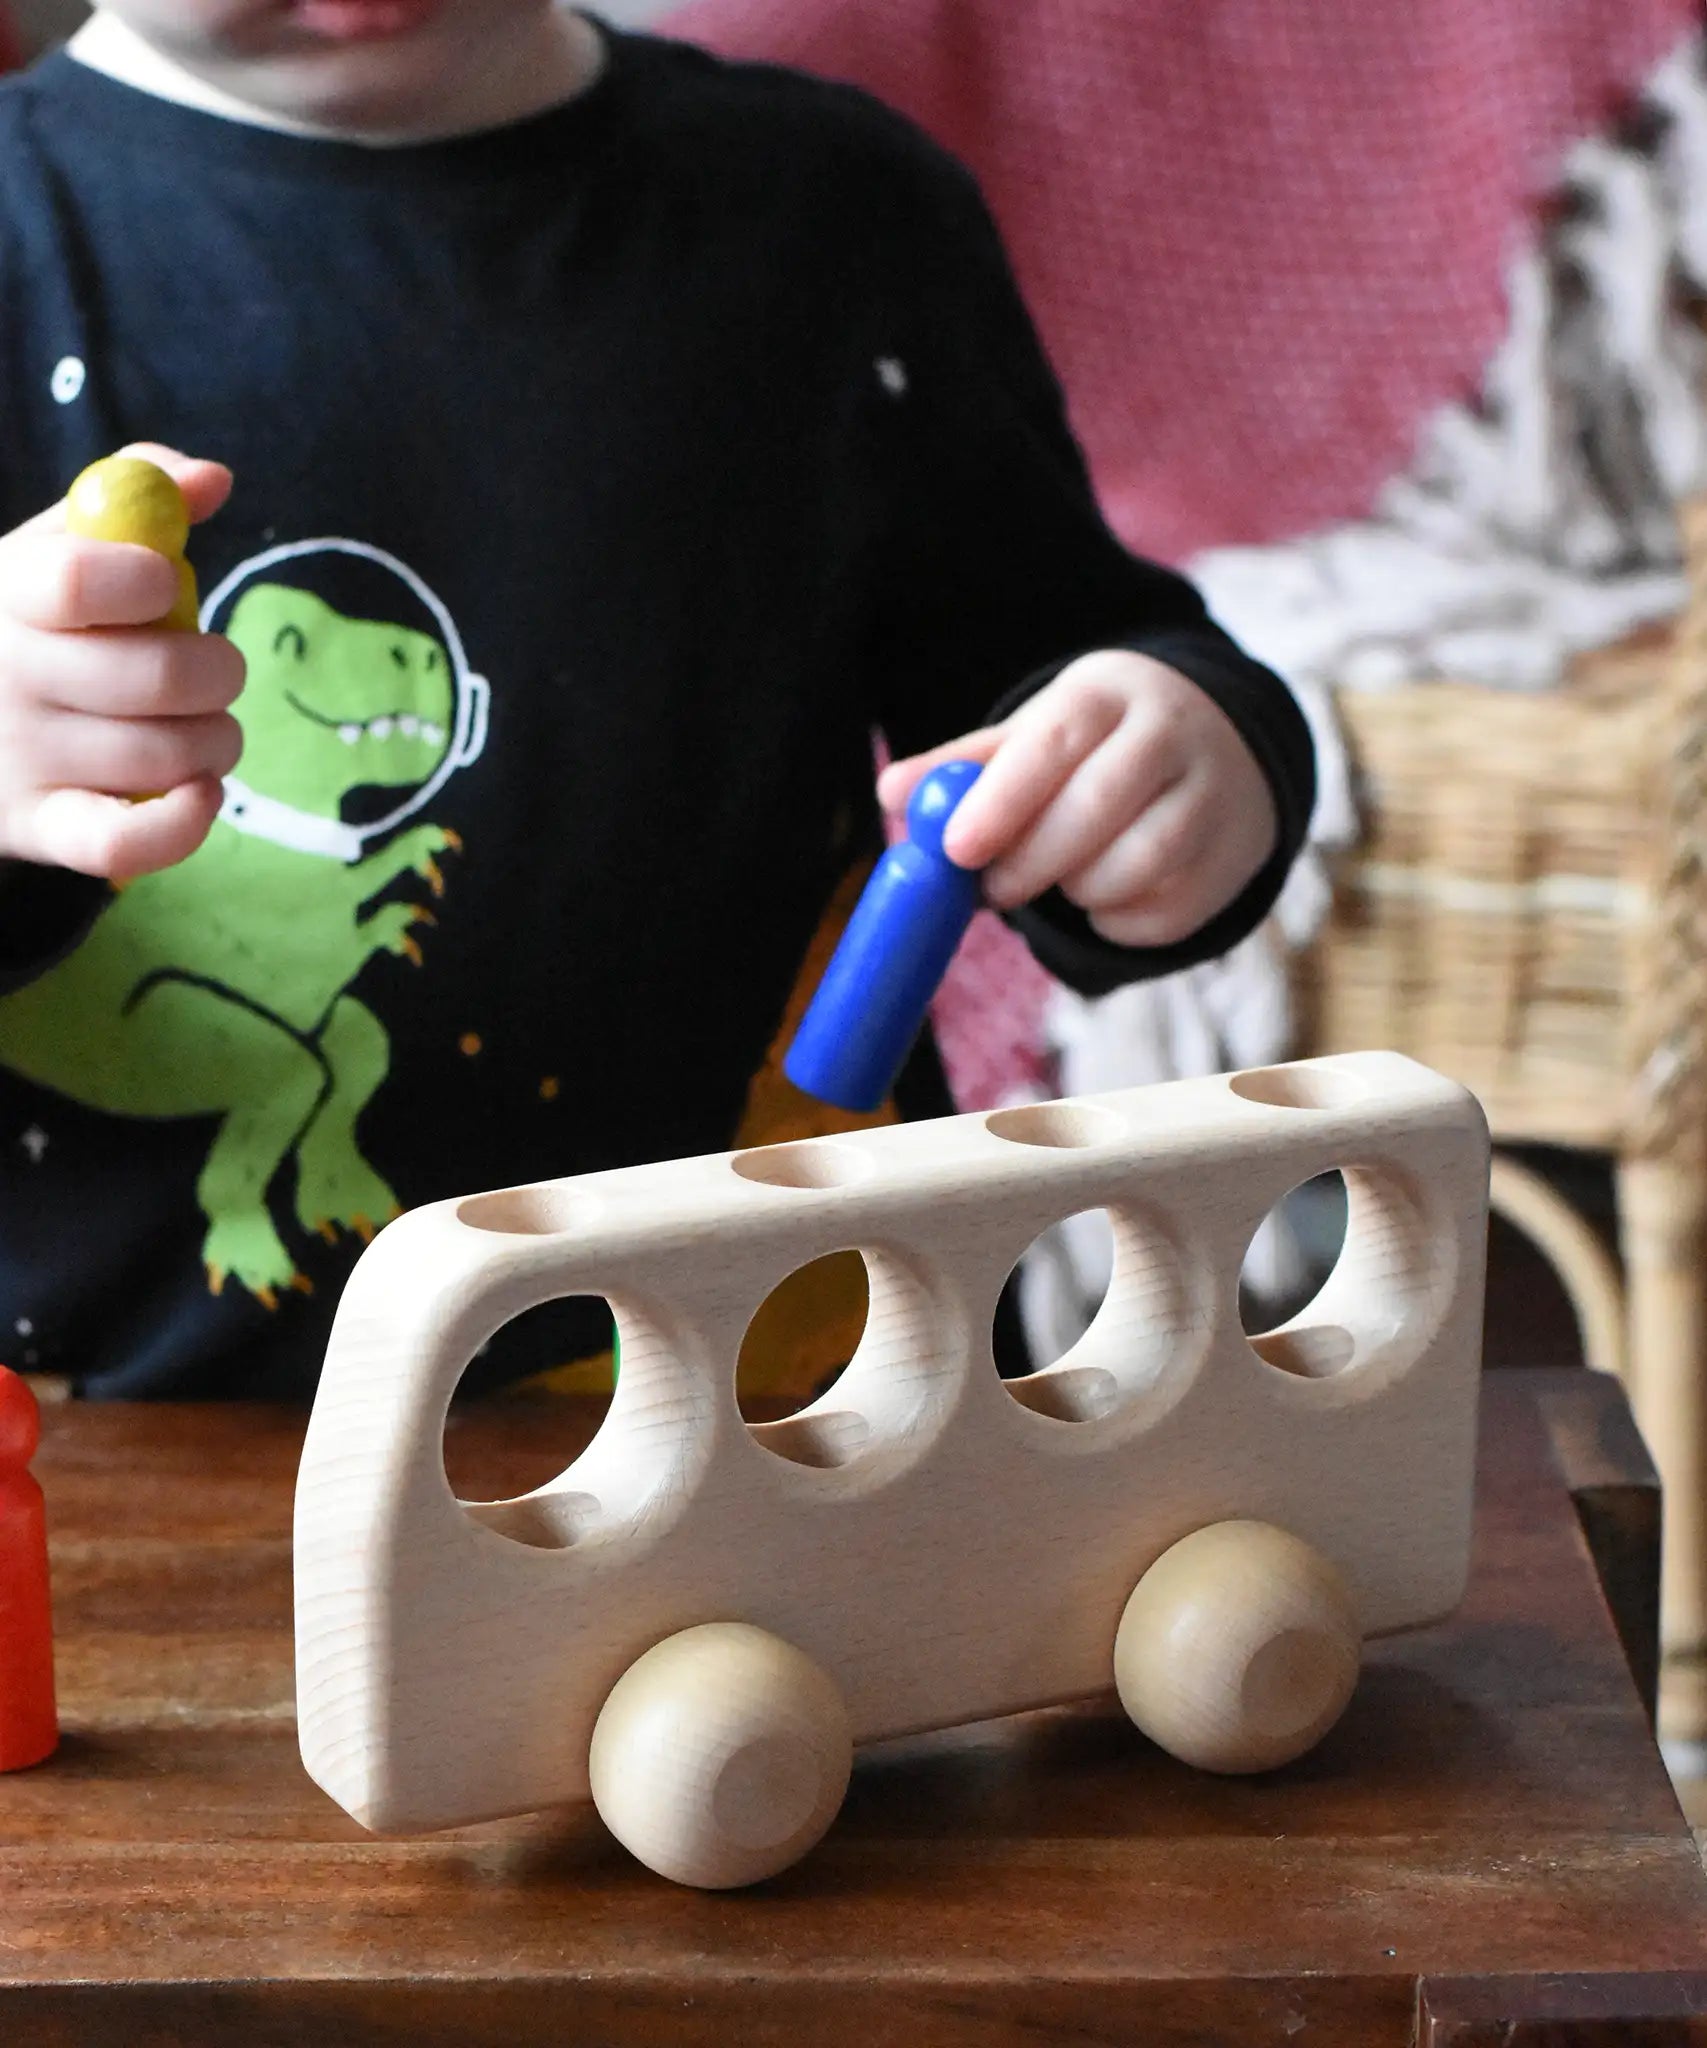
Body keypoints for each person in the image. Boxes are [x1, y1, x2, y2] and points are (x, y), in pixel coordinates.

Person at [0, 1, 1313, 1399]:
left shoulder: (834, 212)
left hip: (784, 1413)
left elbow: (1064, 663)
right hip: (132, 1462)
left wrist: (1182, 759)